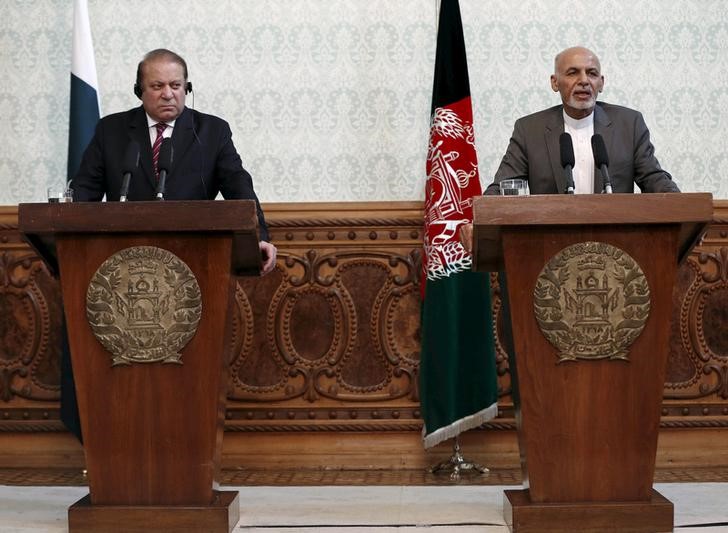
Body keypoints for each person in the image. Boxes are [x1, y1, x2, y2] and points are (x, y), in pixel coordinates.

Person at [72, 48, 276, 275]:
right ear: (139, 91)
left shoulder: (213, 131)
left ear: (186, 88)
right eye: (157, 86)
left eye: (176, 85)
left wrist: (260, 237)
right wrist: (66, 226)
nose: (168, 94)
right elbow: (85, 190)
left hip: (195, 257)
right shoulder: (110, 130)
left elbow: (238, 185)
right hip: (124, 259)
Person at [461, 45, 679, 249]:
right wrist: (479, 222)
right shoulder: (530, 130)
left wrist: (683, 210)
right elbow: (502, 186)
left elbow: (654, 178)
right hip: (546, 250)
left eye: (592, 73)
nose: (584, 80)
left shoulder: (628, 124)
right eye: (573, 72)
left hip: (616, 250)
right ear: (555, 82)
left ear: (601, 83)